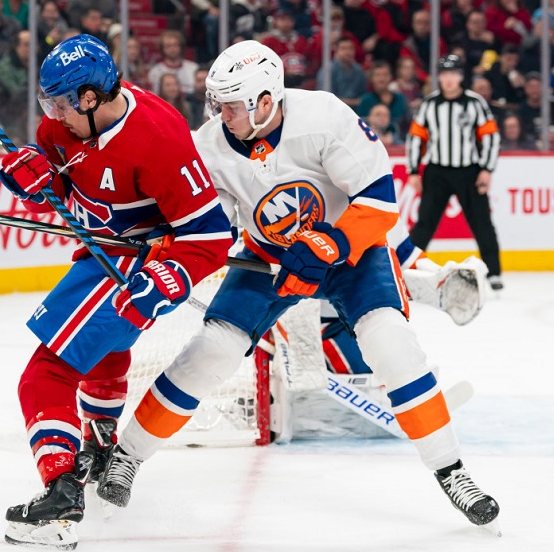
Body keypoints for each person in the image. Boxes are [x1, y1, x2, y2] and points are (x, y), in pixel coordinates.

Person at [96, 40, 501, 533]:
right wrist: (163, 238)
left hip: (351, 253)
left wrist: (331, 245)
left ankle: (452, 471)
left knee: (392, 344)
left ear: (266, 100)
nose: (220, 115)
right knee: (210, 352)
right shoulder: (209, 146)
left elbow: (378, 200)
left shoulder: (324, 116)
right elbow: (210, 225)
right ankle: (127, 456)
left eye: (231, 105)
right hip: (268, 259)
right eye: (216, 103)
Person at [0, 34, 231, 548]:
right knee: (105, 351)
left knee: (45, 375)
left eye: (61, 104)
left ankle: (60, 496)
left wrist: (169, 277)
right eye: (47, 104)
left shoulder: (159, 137)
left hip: (137, 267)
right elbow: (60, 189)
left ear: (90, 97)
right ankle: (99, 449)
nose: (52, 116)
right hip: (101, 254)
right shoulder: (62, 126)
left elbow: (211, 236)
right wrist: (35, 180)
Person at [406, 55, 504, 291]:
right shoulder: (429, 104)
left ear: (460, 76)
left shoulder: (475, 103)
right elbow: (416, 138)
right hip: (437, 172)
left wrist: (487, 169)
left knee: (482, 222)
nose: (448, 79)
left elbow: (491, 137)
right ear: (439, 77)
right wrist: (413, 170)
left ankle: (493, 273)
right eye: (444, 74)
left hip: (469, 172)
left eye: (453, 74)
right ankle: (406, 270)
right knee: (424, 223)